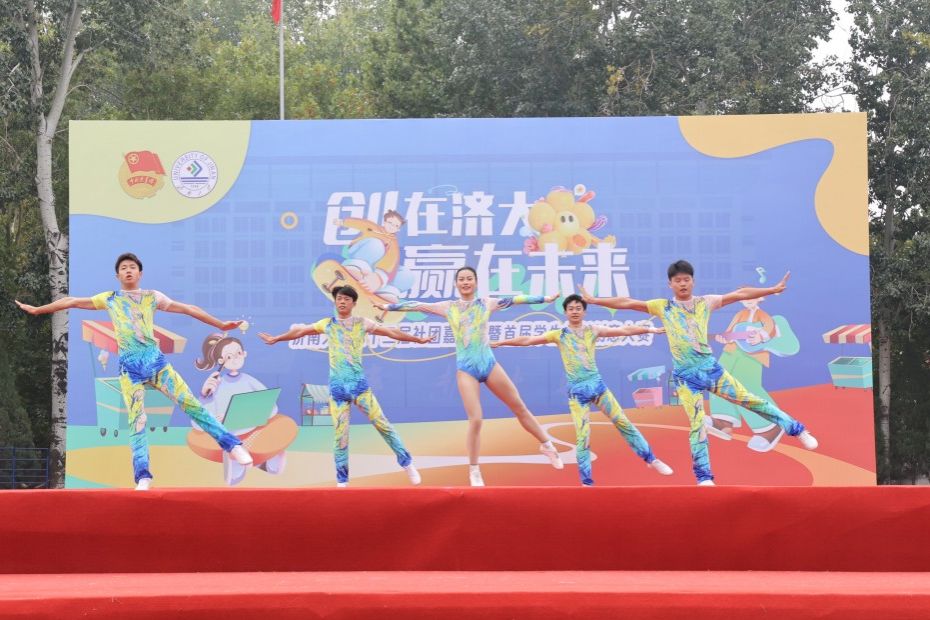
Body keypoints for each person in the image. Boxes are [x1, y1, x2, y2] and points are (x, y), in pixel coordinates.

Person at [15, 252, 252, 490]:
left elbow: (188, 308)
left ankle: (232, 446)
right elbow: (71, 301)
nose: (128, 270)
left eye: (132, 267)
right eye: (123, 268)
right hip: (130, 369)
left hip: (157, 363)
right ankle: (143, 476)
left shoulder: (152, 297)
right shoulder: (110, 298)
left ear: (140, 273)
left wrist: (220, 324)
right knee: (137, 420)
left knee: (191, 404)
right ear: (117, 275)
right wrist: (38, 310)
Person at [578, 260, 818, 486]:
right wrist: (594, 300)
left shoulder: (706, 302)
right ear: (670, 284)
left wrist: (771, 289)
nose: (683, 284)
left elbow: (740, 294)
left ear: (693, 281)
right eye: (678, 280)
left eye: (686, 279)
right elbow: (627, 302)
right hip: (685, 378)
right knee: (697, 425)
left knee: (750, 401)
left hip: (710, 370)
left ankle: (797, 429)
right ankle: (704, 477)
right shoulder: (663, 306)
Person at [376, 266, 564, 487]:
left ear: (475, 282)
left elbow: (516, 299)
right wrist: (388, 306)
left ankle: (547, 445)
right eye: (462, 279)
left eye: (469, 279)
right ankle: (474, 470)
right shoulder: (448, 307)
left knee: (519, 407)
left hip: (489, 364)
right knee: (476, 419)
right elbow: (416, 305)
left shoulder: (486, 303)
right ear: (456, 283)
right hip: (466, 370)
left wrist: (545, 298)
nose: (465, 282)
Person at [492, 294, 674, 486]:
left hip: (598, 387)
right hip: (577, 393)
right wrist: (501, 342)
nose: (575, 311)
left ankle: (651, 459)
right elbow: (529, 340)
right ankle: (586, 481)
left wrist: (650, 329)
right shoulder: (559, 335)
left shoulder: (592, 330)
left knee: (623, 422)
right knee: (582, 436)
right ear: (565, 312)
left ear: (584, 312)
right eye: (571, 309)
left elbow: (624, 330)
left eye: (578, 308)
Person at [259, 285, 429, 487]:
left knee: (383, 425)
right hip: (337, 390)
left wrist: (417, 339)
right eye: (339, 298)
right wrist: (277, 338)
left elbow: (390, 332)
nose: (342, 301)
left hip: (359, 387)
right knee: (340, 436)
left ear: (354, 303)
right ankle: (342, 481)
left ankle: (407, 464)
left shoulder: (362, 323)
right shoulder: (327, 324)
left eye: (346, 299)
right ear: (335, 301)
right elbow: (301, 331)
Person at [194, 333, 298, 485]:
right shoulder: (218, 385)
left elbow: (270, 405)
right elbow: (200, 421)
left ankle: (265, 459)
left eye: (238, 353)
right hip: (231, 432)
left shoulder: (249, 380)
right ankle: (235, 459)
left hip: (254, 428)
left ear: (244, 354)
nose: (235, 358)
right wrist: (205, 396)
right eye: (229, 356)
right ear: (221, 361)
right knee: (229, 443)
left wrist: (259, 411)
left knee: (277, 428)